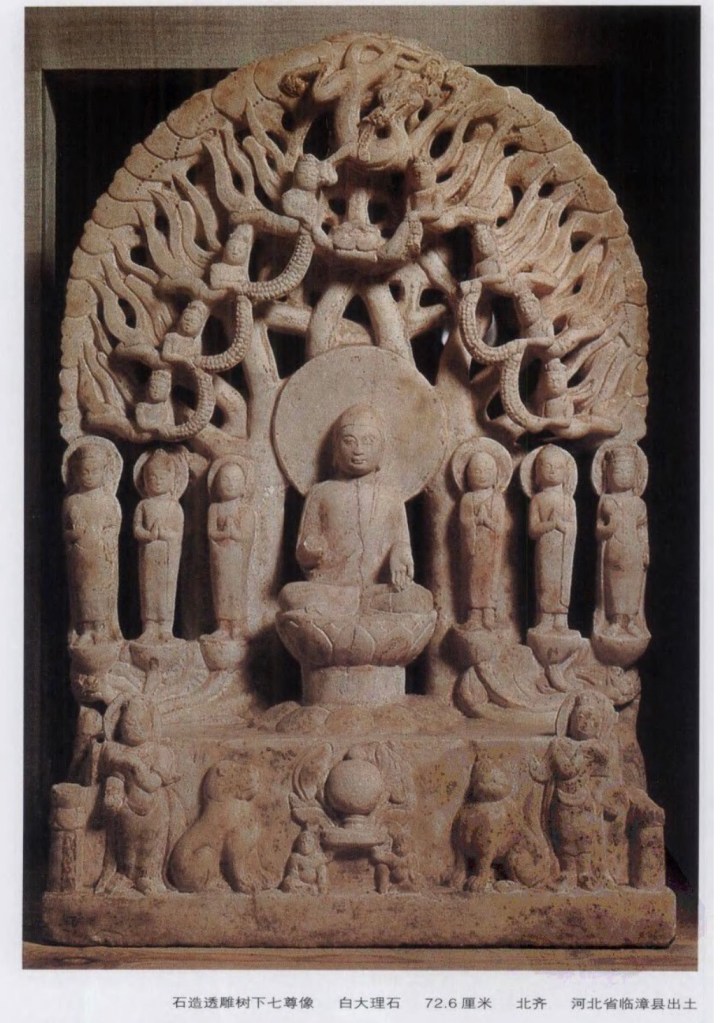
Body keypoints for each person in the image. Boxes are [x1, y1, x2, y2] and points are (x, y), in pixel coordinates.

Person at [279, 403, 432, 617]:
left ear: (382, 449)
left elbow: (400, 541)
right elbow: (303, 554)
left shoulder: (392, 497)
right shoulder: (320, 493)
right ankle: (360, 615)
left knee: (419, 599)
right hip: (332, 592)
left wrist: (400, 553)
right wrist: (310, 550)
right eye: (349, 441)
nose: (358, 449)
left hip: (377, 591)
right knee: (291, 596)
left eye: (368, 441)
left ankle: (360, 612)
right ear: (336, 448)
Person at [63, 440, 122, 645]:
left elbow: (114, 527)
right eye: (84, 471)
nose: (88, 475)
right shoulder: (72, 502)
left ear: (105, 472)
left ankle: (101, 628)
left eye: (94, 471)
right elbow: (66, 533)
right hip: (80, 557)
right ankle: (86, 630)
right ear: (75, 472)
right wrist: (74, 534)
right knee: (82, 591)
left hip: (101, 556)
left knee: (101, 591)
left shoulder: (109, 501)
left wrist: (106, 537)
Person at [134, 449, 185, 642]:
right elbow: (137, 530)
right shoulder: (143, 505)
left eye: (162, 477)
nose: (156, 481)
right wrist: (148, 535)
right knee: (148, 589)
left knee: (166, 591)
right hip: (148, 554)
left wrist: (162, 533)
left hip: (168, 557)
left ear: (172, 479)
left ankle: (165, 627)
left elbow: (177, 534)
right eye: (151, 477)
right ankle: (149, 626)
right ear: (144, 480)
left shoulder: (174, 507)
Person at [528, 446, 576, 632]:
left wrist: (562, 526)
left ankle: (561, 618)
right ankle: (546, 617)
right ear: (537, 473)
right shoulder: (538, 500)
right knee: (545, 580)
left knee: (563, 580)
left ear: (566, 473)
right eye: (547, 466)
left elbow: (573, 528)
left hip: (564, 549)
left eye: (558, 466)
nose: (552, 470)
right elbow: (533, 530)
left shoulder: (568, 501)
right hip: (545, 549)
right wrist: (551, 524)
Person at [459, 451, 506, 629]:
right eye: (477, 470)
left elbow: (500, 527)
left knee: (491, 576)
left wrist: (486, 521)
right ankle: (475, 613)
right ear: (468, 475)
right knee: (474, 576)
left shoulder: (497, 499)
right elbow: (464, 522)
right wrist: (476, 520)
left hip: (492, 548)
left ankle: (489, 611)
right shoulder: (467, 499)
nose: (482, 474)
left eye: (487, 470)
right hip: (474, 546)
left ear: (495, 474)